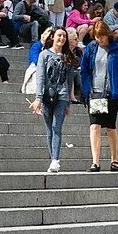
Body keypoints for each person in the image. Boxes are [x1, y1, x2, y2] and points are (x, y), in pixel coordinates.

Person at [31, 27, 74, 173]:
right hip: (46, 97)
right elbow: (40, 77)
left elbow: (69, 81)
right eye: (59, 35)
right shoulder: (44, 55)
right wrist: (38, 98)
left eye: (64, 36)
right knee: (49, 129)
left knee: (57, 127)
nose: (61, 38)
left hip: (61, 96)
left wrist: (68, 101)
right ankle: (52, 159)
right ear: (52, 37)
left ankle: (56, 160)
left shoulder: (67, 56)